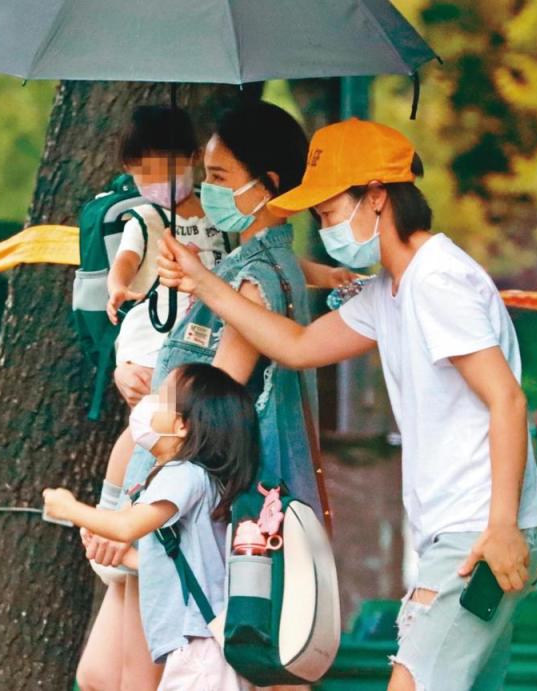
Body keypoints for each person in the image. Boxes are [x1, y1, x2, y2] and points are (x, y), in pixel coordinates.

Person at [157, 118, 537, 691]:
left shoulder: (437, 281)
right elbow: (295, 346)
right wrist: (202, 281)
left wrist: (501, 528)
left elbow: (507, 400)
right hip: (463, 528)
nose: (323, 229)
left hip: (481, 528)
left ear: (376, 196)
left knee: (411, 682)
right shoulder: (388, 293)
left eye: (327, 212)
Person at [83, 101, 334, 691]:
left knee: (126, 678)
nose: (208, 190)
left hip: (179, 506)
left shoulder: (256, 277)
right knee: (103, 675)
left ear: (267, 184)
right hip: (165, 490)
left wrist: (134, 513)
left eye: (219, 178)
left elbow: (209, 407)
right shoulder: (243, 264)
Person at [44, 363, 258, 690]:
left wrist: (69, 508)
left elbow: (126, 526)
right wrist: (124, 559)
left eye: (160, 398)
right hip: (204, 646)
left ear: (183, 425)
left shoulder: (182, 474)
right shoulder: (198, 479)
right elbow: (182, 564)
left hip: (198, 648)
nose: (148, 404)